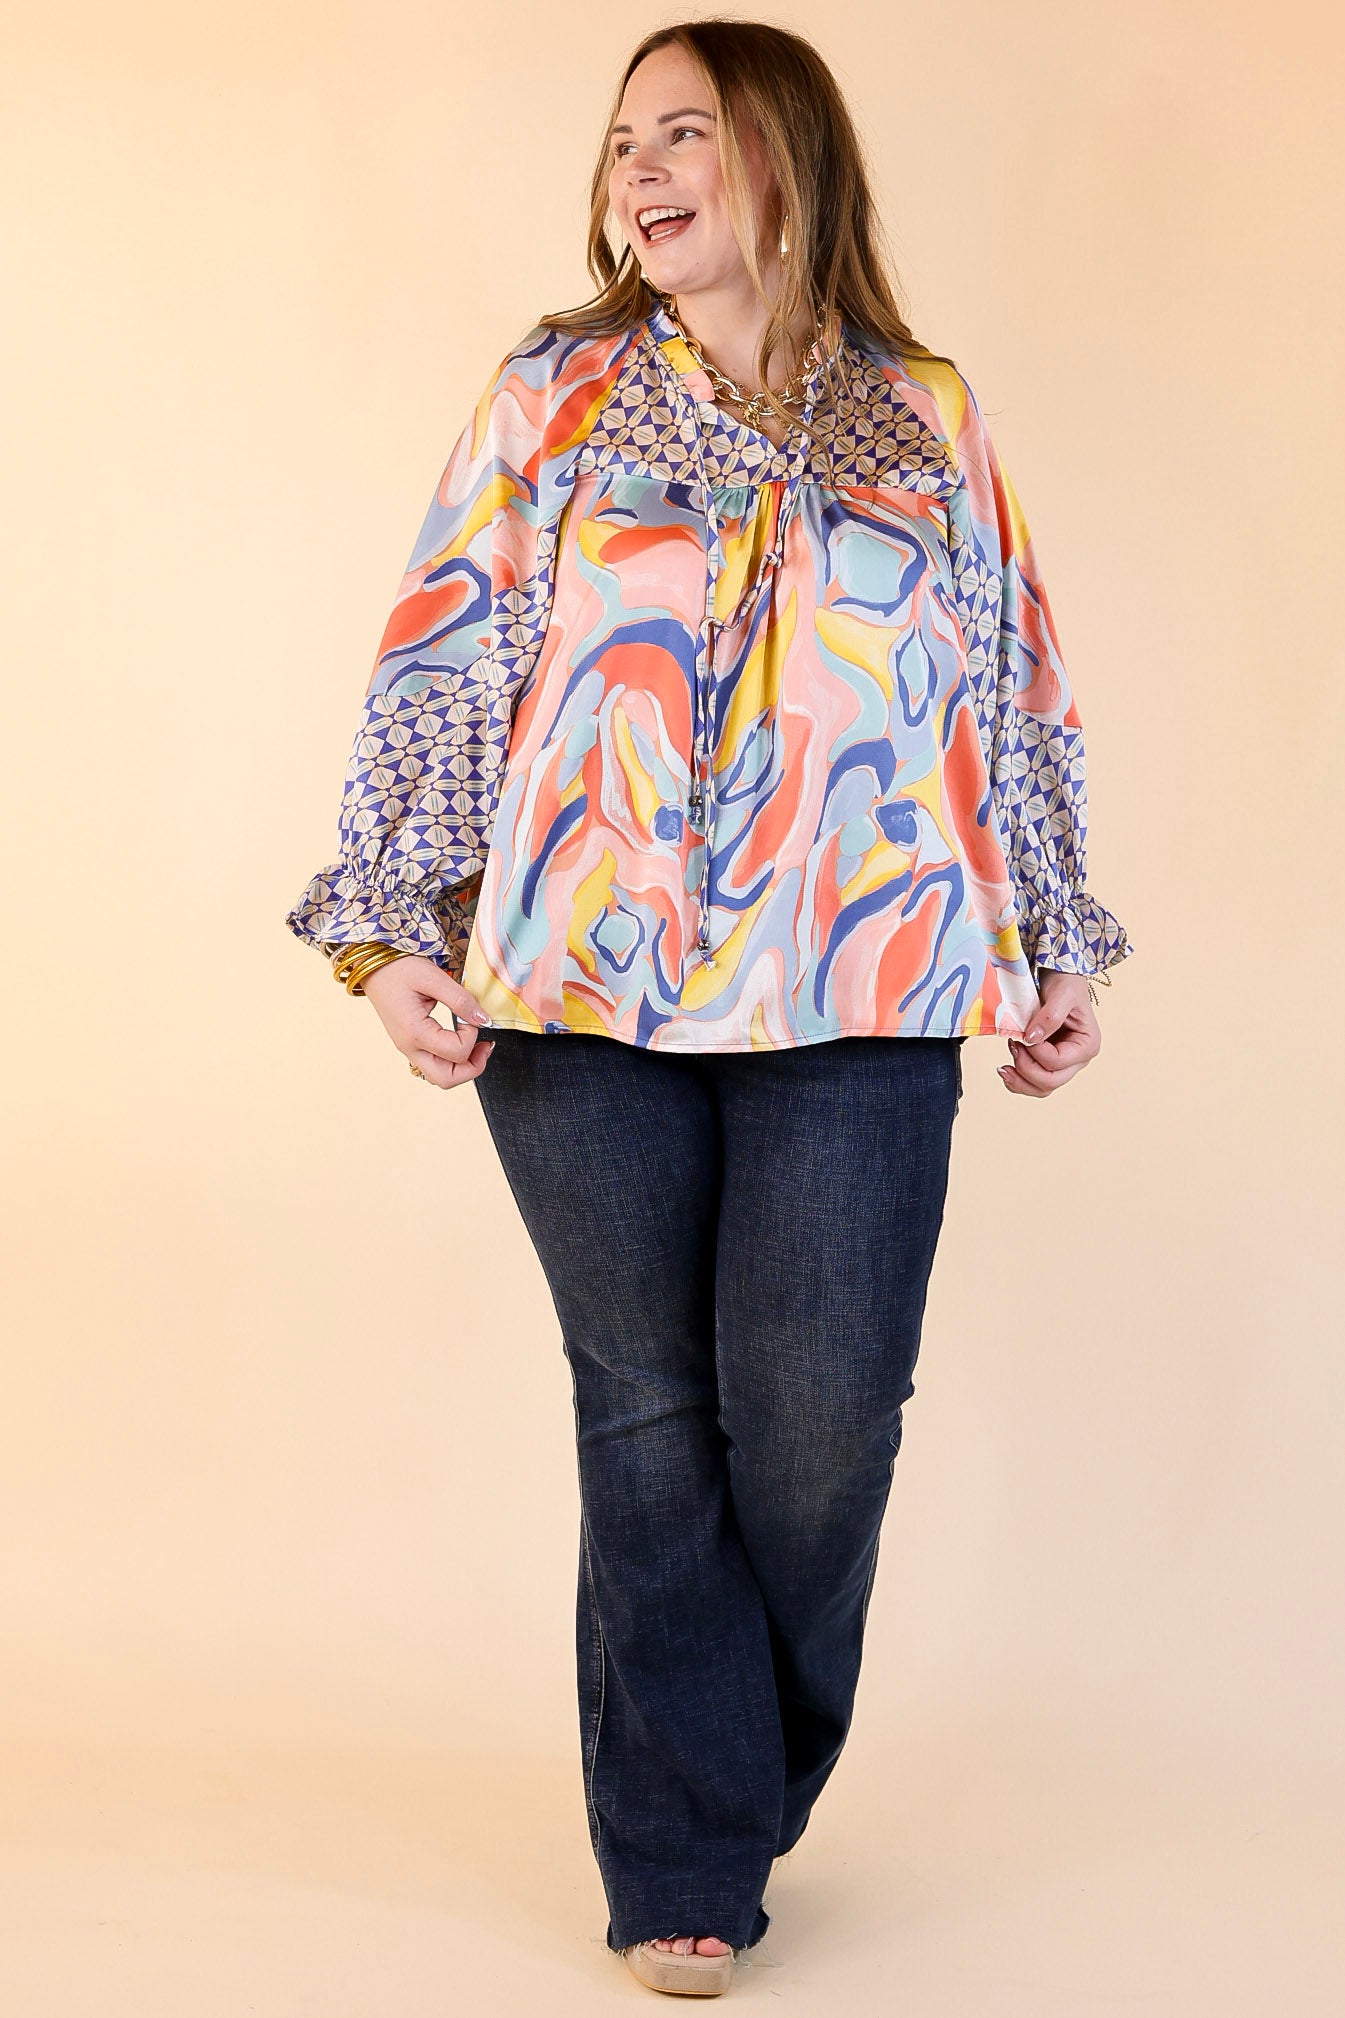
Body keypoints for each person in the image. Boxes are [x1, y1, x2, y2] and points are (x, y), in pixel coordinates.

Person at [284, 17, 1134, 1999]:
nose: (640, 170)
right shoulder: (555, 392)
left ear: (787, 156)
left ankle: (729, 1771)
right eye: (621, 144)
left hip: (868, 987)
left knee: (822, 1421)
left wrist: (1056, 937)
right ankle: (682, 1849)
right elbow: (444, 652)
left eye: (684, 130)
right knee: (648, 1413)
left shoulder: (922, 415)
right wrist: (387, 932)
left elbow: (1013, 681)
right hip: (579, 985)